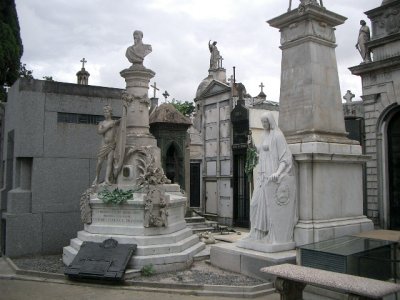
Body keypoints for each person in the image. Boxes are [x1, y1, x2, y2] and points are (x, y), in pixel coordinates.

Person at [246, 112, 297, 244]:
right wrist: (252, 146)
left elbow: (285, 158)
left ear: (271, 122)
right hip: (262, 176)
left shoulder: (278, 136)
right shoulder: (264, 135)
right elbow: (260, 150)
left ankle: (267, 234)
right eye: (262, 123)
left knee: (268, 206)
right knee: (254, 204)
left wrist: (278, 173)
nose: (263, 125)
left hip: (271, 176)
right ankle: (255, 233)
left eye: (265, 122)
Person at [92, 105, 120, 185]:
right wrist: (108, 127)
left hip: (111, 145)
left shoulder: (114, 122)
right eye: (104, 112)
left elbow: (121, 121)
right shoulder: (102, 123)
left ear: (110, 113)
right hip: (104, 144)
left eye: (107, 112)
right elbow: (99, 132)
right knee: (100, 162)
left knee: (109, 162)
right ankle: (96, 177)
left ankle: (107, 179)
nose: (105, 113)